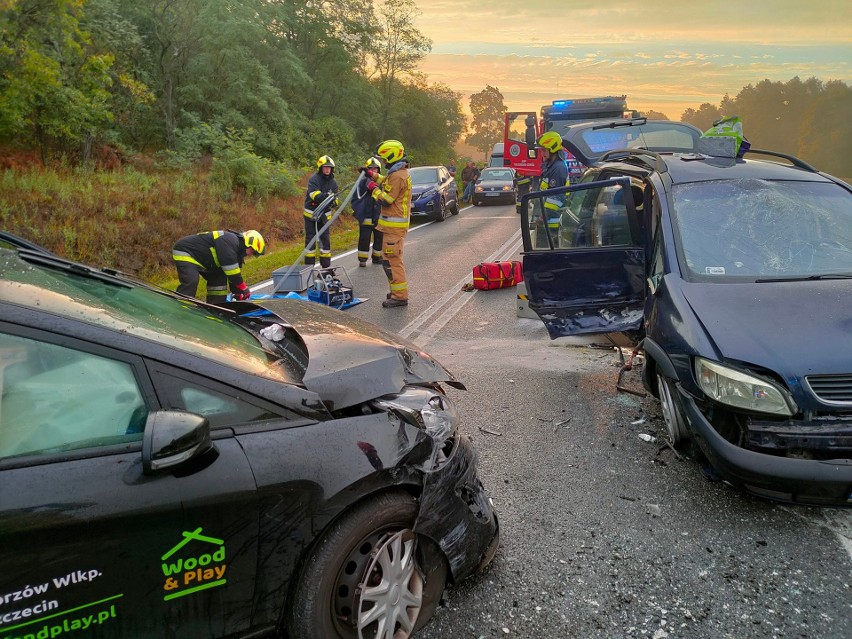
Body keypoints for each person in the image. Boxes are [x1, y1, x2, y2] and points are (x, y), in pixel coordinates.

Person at [367, 139, 412, 308]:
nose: (384, 162)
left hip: (394, 228)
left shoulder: (398, 176)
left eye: (385, 159)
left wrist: (373, 189)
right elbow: (386, 181)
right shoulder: (397, 173)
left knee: (392, 261)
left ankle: (400, 296)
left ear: (391, 156)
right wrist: (372, 175)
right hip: (392, 227)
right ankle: (396, 292)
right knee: (389, 260)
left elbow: (387, 199)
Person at [172, 229, 265, 304]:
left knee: (219, 281)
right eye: (253, 251)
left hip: (206, 262)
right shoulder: (230, 240)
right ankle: (181, 309)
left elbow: (232, 275)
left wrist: (238, 293)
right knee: (191, 281)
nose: (250, 255)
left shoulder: (238, 252)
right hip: (186, 252)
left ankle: (215, 307)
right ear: (249, 243)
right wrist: (243, 288)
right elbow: (231, 269)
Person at [303, 155, 339, 268]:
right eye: (325, 167)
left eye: (329, 167)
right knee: (311, 241)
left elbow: (336, 199)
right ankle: (309, 267)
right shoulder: (314, 180)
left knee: (325, 240)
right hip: (311, 216)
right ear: (320, 168)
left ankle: (326, 267)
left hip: (325, 217)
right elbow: (314, 195)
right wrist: (328, 197)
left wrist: (334, 202)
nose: (327, 169)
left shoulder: (333, 183)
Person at [535, 131, 570, 247]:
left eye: (544, 150)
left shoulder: (558, 168)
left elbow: (555, 198)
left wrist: (542, 217)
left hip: (552, 225)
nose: (542, 154)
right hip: (547, 222)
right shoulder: (552, 166)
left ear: (553, 149)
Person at [352, 156, 384, 267]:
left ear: (379, 170)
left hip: (379, 214)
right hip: (366, 214)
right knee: (364, 237)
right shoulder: (363, 181)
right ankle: (362, 259)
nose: (373, 171)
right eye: (371, 169)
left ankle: (377, 257)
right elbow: (365, 188)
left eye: (375, 169)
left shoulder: (382, 182)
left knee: (379, 236)